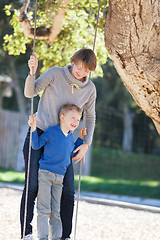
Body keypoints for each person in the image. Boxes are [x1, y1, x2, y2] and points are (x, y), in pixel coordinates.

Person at [20, 48, 97, 240]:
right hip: (40, 134)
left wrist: (86, 144)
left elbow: (91, 117)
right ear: (73, 61)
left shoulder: (90, 89)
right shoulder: (55, 73)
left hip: (65, 143)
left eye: (86, 70)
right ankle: (27, 233)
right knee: (32, 186)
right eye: (79, 67)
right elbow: (31, 92)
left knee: (68, 190)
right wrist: (32, 72)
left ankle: (65, 236)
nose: (80, 72)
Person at [28, 103, 86, 240]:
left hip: (60, 177)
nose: (76, 122)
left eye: (78, 119)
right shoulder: (51, 131)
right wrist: (33, 127)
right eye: (73, 118)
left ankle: (56, 237)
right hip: (45, 174)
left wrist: (81, 139)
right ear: (62, 117)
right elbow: (36, 145)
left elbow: (70, 153)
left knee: (56, 210)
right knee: (44, 208)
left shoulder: (71, 137)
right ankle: (42, 237)